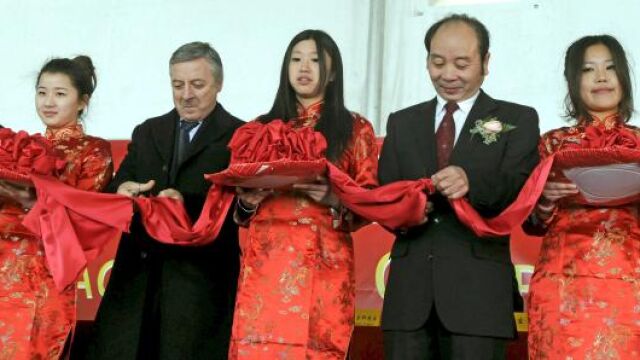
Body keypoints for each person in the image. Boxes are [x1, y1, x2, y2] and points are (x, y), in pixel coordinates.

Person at [378, 14, 540, 359]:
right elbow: (385, 193)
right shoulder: (402, 122)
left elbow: (522, 188)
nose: (448, 74)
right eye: (438, 62)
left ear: (486, 62)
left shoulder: (518, 119)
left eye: (461, 63)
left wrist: (472, 182)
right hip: (409, 300)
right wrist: (408, 207)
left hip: (478, 297)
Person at [84, 42, 243, 360]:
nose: (186, 94)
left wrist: (185, 205)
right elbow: (115, 189)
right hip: (136, 284)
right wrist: (123, 191)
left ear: (219, 84)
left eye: (197, 85)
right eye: (177, 84)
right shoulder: (148, 131)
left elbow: (244, 209)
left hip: (198, 288)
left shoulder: (240, 136)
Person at [229, 29, 379, 359]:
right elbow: (236, 204)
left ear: (334, 71)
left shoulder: (355, 128)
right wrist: (248, 201)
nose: (304, 67)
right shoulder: (258, 128)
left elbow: (370, 200)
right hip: (267, 263)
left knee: (317, 348)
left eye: (315, 60)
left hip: (323, 261)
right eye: (296, 59)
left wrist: (334, 198)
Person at [525, 35, 640, 358]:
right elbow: (531, 222)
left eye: (611, 68)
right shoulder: (551, 144)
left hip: (631, 284)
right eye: (589, 69)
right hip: (564, 284)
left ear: (624, 78)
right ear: (573, 81)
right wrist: (544, 198)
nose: (601, 77)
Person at [0, 56, 112, 359]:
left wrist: (29, 201)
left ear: (82, 102)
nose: (48, 102)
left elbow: (81, 221)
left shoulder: (93, 152)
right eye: (42, 92)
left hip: (46, 277)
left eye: (60, 94)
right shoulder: (18, 147)